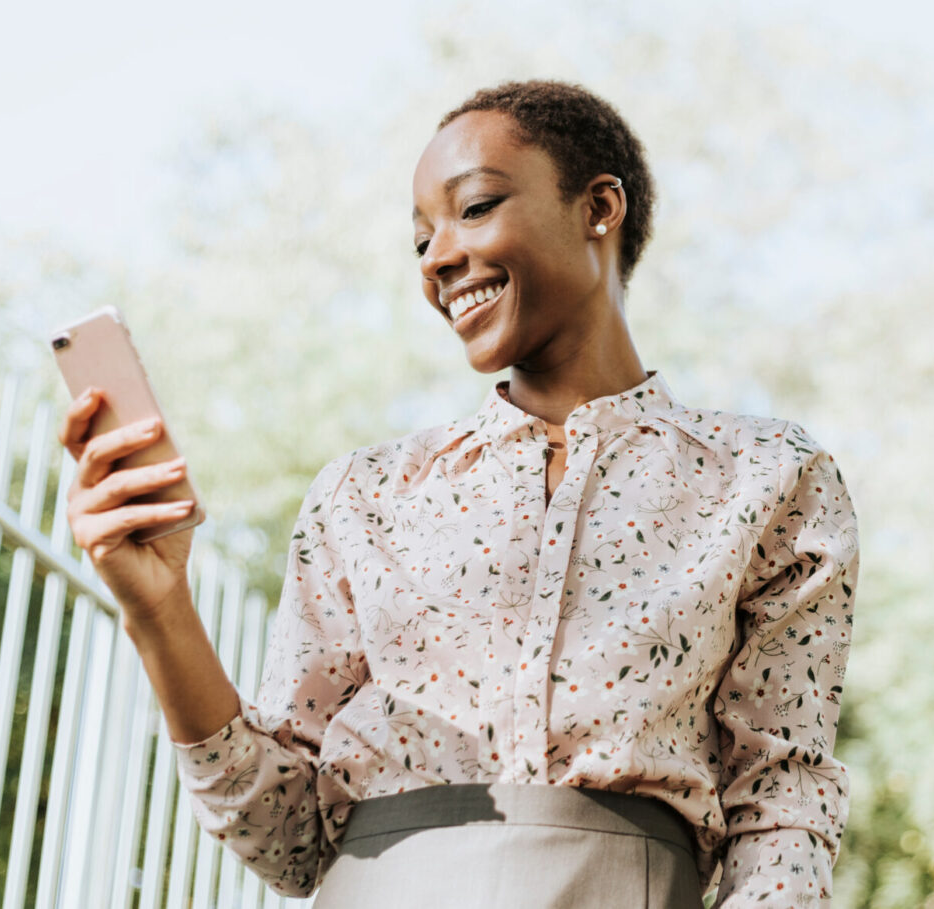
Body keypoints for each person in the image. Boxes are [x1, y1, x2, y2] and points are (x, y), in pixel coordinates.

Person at [59, 80, 859, 908]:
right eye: (419, 241)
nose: (438, 257)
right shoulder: (365, 494)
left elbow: (782, 803)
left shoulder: (766, 478)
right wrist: (161, 610)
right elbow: (288, 838)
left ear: (599, 207)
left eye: (473, 208)